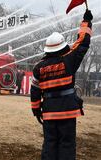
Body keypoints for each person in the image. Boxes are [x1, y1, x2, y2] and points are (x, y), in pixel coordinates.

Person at [30, 10, 93, 160]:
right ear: (63, 47)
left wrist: (36, 110)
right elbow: (83, 42)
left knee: (50, 144)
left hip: (49, 112)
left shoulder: (38, 67)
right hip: (68, 111)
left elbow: (35, 91)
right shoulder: (69, 60)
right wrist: (86, 21)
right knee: (67, 144)